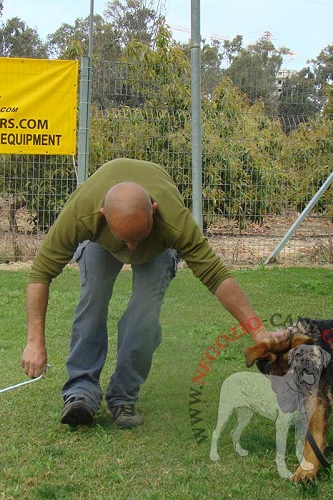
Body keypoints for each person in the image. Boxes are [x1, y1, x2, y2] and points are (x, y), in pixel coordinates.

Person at [21, 158, 283, 429]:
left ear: (153, 211)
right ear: (102, 215)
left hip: (158, 247)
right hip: (101, 242)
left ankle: (123, 396)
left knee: (144, 314)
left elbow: (216, 275)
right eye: (125, 240)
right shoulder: (82, 213)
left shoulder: (174, 221)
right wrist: (34, 342)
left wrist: (258, 331)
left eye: (139, 236)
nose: (132, 248)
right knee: (93, 300)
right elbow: (41, 273)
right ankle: (81, 392)